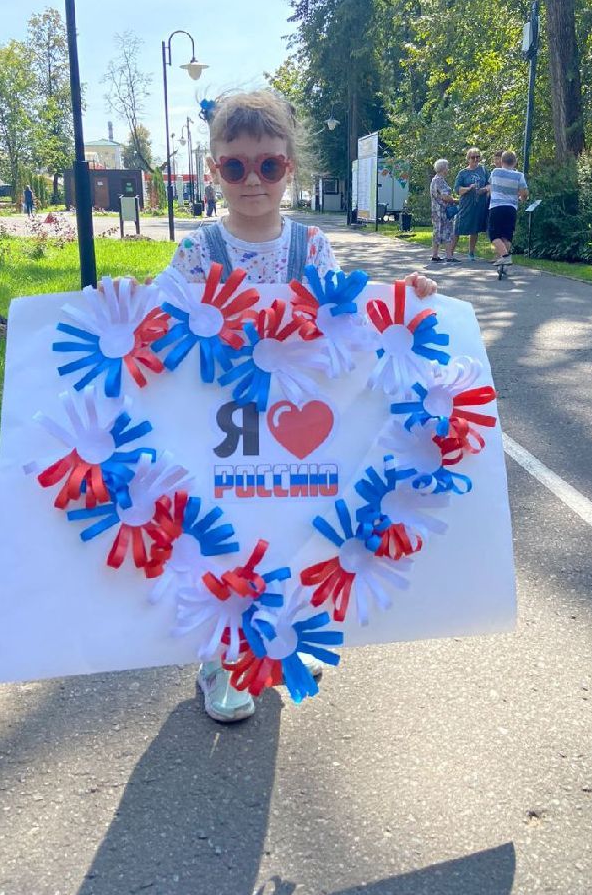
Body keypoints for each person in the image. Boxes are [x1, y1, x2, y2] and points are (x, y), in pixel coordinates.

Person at [155, 89, 439, 722]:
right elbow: (160, 317)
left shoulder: (310, 248)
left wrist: (407, 302)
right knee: (229, 528)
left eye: (269, 166)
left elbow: (345, 320)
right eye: (235, 167)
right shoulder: (200, 251)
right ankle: (220, 656)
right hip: (223, 420)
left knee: (293, 521)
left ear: (289, 167)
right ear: (215, 172)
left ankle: (283, 638)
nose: (252, 180)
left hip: (298, 417)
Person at [486, 150, 528, 267]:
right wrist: (521, 199)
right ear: (515, 162)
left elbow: (491, 186)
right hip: (511, 208)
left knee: (494, 234)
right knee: (507, 235)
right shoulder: (519, 175)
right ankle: (503, 261)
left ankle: (505, 256)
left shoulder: (495, 172)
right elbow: (524, 193)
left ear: (502, 161)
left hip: (496, 207)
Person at [453, 148, 490, 261]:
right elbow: (457, 189)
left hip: (480, 204)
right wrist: (469, 188)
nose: (475, 159)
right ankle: (450, 254)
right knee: (458, 228)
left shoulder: (483, 170)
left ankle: (471, 253)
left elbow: (490, 185)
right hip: (466, 204)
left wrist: (483, 190)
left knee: (475, 229)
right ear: (468, 159)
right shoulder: (463, 173)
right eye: (473, 157)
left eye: (477, 157)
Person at [429, 158, 458, 264]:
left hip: (436, 211)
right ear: (443, 168)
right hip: (443, 211)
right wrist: (456, 201)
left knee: (437, 232)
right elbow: (445, 197)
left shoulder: (434, 180)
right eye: (447, 167)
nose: (448, 169)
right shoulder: (439, 181)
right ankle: (449, 256)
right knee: (448, 232)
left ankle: (435, 255)